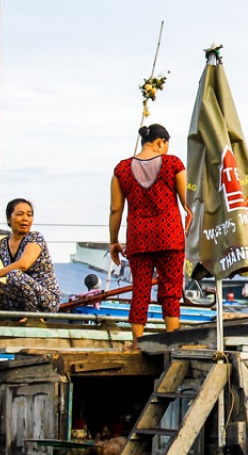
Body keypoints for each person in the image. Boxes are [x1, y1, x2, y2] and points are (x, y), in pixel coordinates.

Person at [109, 124, 192, 349]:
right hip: (170, 236)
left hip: (138, 237)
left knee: (140, 289)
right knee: (171, 289)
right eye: (165, 145)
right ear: (160, 142)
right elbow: (188, 202)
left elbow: (115, 209)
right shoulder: (173, 164)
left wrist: (114, 241)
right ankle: (172, 339)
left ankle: (136, 342)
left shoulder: (121, 169)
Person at [0, 197, 61, 313]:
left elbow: (23, 265)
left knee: (13, 274)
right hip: (21, 300)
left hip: (46, 300)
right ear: (9, 219)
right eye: (20, 214)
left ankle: (34, 315)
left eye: (29, 215)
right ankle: (12, 314)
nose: (25, 219)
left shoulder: (35, 238)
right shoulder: (2, 245)